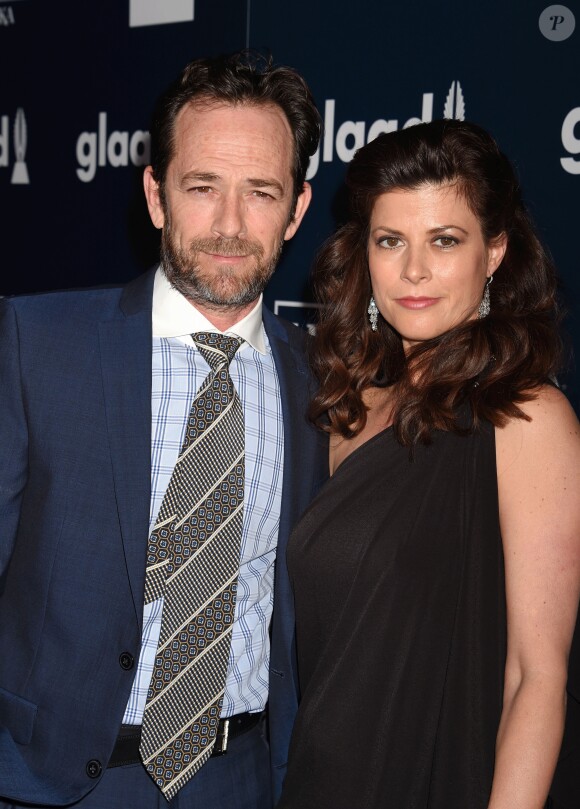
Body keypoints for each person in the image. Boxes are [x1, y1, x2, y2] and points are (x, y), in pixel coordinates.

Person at [0, 51, 327, 808]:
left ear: (298, 210)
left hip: (239, 779)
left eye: (261, 193)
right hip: (44, 781)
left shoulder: (322, 381)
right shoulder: (36, 343)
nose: (230, 225)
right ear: (156, 195)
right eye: (202, 187)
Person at [276, 120, 580, 809]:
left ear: (494, 251)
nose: (413, 271)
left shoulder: (525, 416)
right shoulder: (344, 405)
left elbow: (536, 677)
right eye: (391, 241)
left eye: (445, 240)